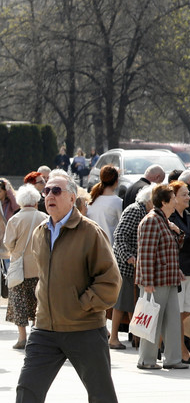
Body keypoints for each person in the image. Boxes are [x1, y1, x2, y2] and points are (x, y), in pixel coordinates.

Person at [15, 172, 121, 403]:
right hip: (45, 329)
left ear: (72, 198)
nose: (49, 195)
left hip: (84, 328)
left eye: (56, 190)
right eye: (46, 191)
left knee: (101, 395)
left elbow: (110, 280)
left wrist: (82, 304)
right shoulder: (39, 232)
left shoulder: (91, 232)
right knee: (27, 391)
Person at [135, 183, 188, 370]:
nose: (176, 201)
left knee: (172, 320)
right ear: (164, 201)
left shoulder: (163, 220)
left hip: (168, 279)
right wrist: (147, 282)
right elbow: (146, 253)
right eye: (173, 198)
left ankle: (173, 359)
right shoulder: (151, 220)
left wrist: (176, 230)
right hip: (156, 281)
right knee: (152, 320)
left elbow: (171, 249)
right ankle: (146, 360)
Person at [5, 185, 48, 349]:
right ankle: (36, 335)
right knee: (38, 302)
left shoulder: (15, 219)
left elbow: (8, 243)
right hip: (39, 267)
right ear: (36, 200)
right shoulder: (44, 217)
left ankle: (22, 338)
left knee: (19, 302)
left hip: (20, 269)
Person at [111, 185, 152, 349]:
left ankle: (136, 337)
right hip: (126, 265)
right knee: (122, 302)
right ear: (149, 199)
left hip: (133, 264)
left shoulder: (142, 210)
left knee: (130, 301)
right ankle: (113, 337)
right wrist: (128, 257)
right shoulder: (135, 210)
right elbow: (119, 235)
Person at [167, 179, 190, 364]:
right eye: (184, 194)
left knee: (186, 311)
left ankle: (169, 342)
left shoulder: (187, 216)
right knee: (178, 312)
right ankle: (181, 350)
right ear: (174, 197)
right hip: (178, 270)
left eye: (188, 194)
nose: (188, 197)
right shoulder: (170, 218)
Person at [87, 165, 123, 243]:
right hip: (109, 249)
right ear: (116, 181)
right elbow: (123, 229)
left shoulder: (91, 199)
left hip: (93, 247)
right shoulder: (118, 202)